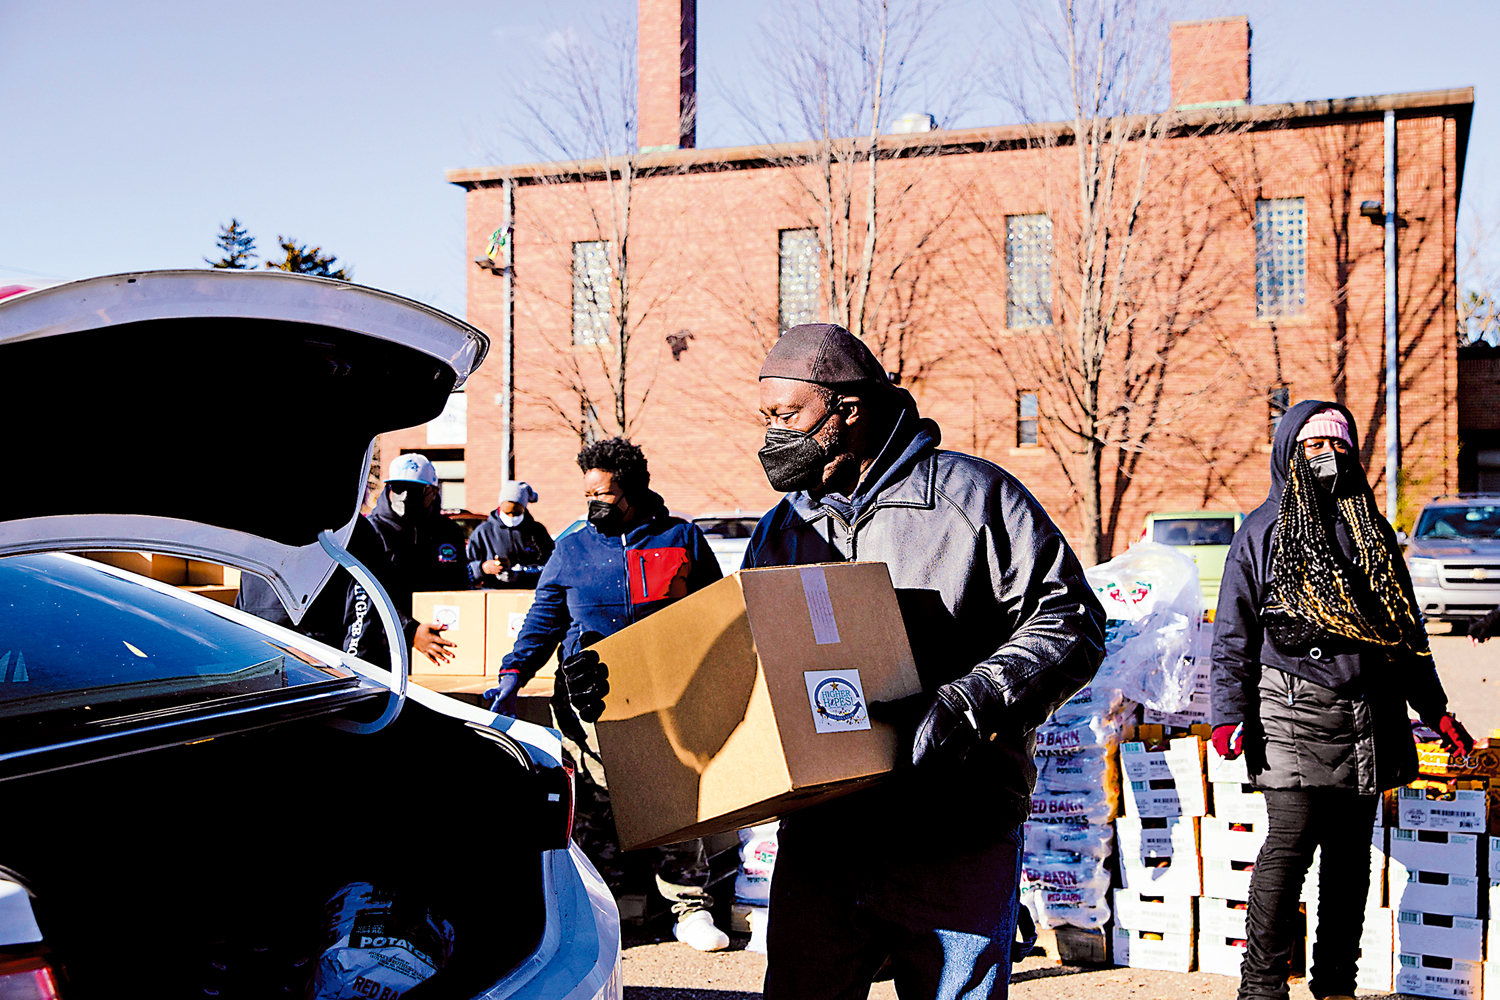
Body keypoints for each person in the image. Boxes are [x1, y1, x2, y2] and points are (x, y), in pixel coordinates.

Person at [564, 324, 1106, 997]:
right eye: (765, 418)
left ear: (849, 410)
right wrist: (625, 689)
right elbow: (740, 663)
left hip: (951, 828)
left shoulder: (974, 499)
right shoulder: (783, 527)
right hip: (824, 838)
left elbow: (1072, 624)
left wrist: (967, 703)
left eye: (786, 416)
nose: (770, 435)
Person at [1211, 401, 1473, 1000]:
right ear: (1288, 454)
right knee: (1289, 848)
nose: (1327, 458)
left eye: (1339, 447)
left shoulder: (1371, 532)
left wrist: (1436, 710)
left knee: (1351, 862)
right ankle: (1262, 988)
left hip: (1370, 716)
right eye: (1311, 448)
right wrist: (1228, 714)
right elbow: (1234, 634)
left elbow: (1407, 635)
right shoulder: (1263, 532)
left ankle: (1335, 985)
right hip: (1291, 711)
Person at [501, 437, 732, 952]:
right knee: (595, 804)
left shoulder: (681, 538)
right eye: (588, 494)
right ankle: (605, 902)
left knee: (673, 799)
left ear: (631, 490)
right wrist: (514, 672)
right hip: (589, 703)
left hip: (666, 696)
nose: (594, 504)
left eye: (603, 494)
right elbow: (545, 616)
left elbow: (715, 613)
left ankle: (689, 907)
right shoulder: (572, 547)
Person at [364, 453, 466, 665]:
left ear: (433, 491)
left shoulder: (449, 532)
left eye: (415, 489)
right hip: (384, 649)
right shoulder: (371, 532)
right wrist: (410, 631)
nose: (405, 496)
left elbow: (461, 588)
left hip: (440, 646)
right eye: (398, 487)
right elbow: (366, 597)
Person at [467, 480, 554, 589]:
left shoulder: (537, 531)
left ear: (524, 508)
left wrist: (522, 573)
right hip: (494, 593)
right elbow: (466, 566)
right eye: (507, 513)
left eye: (517, 513)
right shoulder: (483, 532)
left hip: (529, 592)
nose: (512, 517)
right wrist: (482, 568)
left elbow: (551, 565)